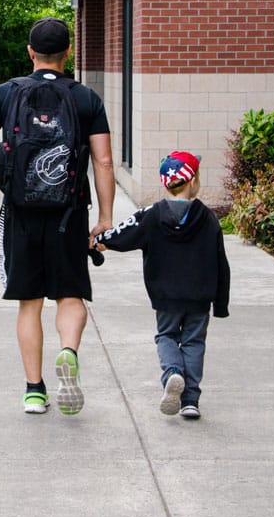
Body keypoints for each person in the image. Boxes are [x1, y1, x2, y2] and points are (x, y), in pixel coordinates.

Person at [0, 17, 115, 416]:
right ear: (68, 53)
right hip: (69, 214)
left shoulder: (6, 94)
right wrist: (104, 217)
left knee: (29, 302)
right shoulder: (87, 98)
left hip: (20, 212)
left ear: (30, 52)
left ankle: (34, 390)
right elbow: (103, 161)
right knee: (70, 295)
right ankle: (68, 352)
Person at [94, 151, 230, 419]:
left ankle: (172, 372)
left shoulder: (152, 215)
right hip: (199, 298)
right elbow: (221, 263)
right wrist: (221, 303)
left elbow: (126, 233)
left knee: (166, 336)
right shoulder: (208, 218)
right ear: (192, 182)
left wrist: (104, 241)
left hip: (166, 296)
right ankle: (190, 400)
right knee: (193, 342)